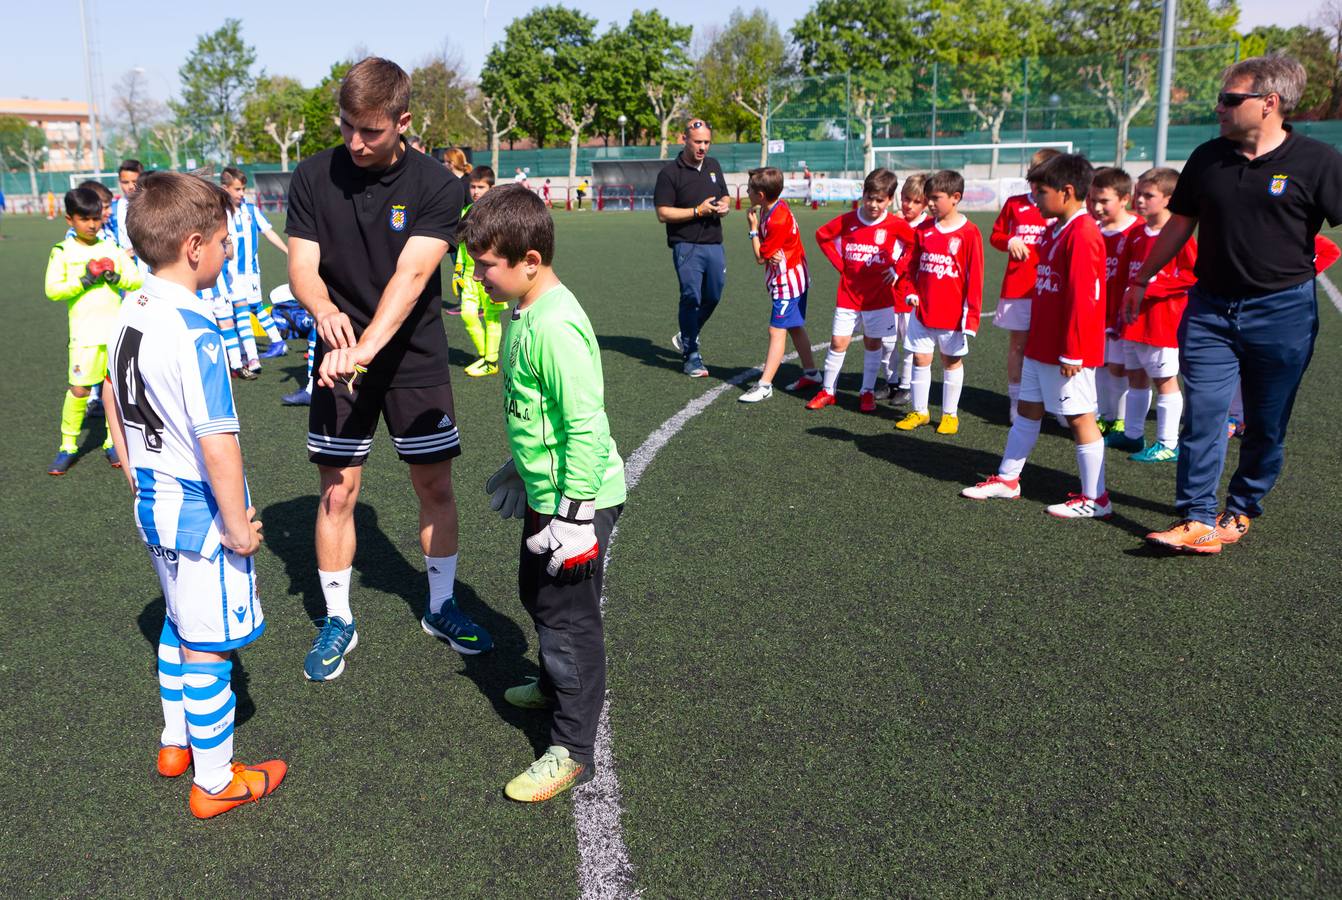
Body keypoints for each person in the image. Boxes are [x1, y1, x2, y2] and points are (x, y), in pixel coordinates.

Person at [285, 56, 491, 681]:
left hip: (412, 355)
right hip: (341, 352)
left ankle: (441, 605)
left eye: (371, 130)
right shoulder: (313, 175)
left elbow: (412, 277)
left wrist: (366, 349)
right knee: (338, 491)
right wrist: (322, 311)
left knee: (434, 487)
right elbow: (302, 264)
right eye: (348, 125)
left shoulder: (438, 184)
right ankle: (338, 619)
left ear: (403, 122)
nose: (355, 141)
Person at [102, 170, 285, 819]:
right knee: (209, 643)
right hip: (196, 510)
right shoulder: (197, 328)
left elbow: (108, 391)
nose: (231, 251)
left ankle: (174, 742)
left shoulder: (133, 306)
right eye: (227, 241)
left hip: (149, 498)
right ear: (195, 246)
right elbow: (217, 444)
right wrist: (237, 526)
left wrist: (128, 465)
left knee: (178, 620)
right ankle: (214, 781)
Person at [1128, 56, 1342, 553]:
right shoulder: (1207, 157)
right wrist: (1141, 277)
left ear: (1269, 103)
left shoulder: (1317, 161)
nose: (1219, 108)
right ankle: (1197, 517)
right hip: (1209, 310)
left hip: (1284, 313)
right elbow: (1181, 223)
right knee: (1203, 413)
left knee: (1266, 424)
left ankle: (1241, 508)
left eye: (1230, 99)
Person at [464, 186, 626, 802]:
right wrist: (519, 465)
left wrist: (576, 515)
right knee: (536, 591)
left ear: (530, 261)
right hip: (549, 490)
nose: (478, 277)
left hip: (577, 501)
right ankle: (557, 686)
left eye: (486, 266)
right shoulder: (524, 310)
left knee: (568, 618)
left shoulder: (557, 325)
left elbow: (584, 423)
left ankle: (572, 746)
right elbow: (542, 413)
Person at [961, 153, 1111, 518]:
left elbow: (1084, 299)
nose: (1036, 199)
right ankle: (1009, 479)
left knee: (1079, 418)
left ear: (1068, 191)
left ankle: (1097, 499)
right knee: (1028, 410)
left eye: (1041, 192)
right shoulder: (1056, 228)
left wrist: (1074, 351)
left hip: (1066, 350)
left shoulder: (1083, 233)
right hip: (1041, 344)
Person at [44, 186, 144, 474]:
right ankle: (68, 446)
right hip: (84, 337)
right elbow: (52, 290)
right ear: (69, 219)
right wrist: (84, 280)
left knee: (115, 391)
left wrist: (115, 277)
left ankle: (113, 443)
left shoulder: (110, 248)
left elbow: (135, 280)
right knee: (78, 390)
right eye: (84, 219)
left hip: (114, 334)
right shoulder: (62, 251)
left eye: (96, 218)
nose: (91, 224)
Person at [1105, 168, 1197, 463]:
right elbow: (1123, 277)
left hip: (1162, 321)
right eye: (1139, 193)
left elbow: (1193, 275)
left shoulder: (1179, 236)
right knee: (1137, 377)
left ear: (1169, 199)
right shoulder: (1135, 234)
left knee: (1165, 381)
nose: (1140, 200)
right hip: (1133, 320)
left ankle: (1168, 443)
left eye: (1149, 195)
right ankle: (1133, 435)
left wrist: (1155, 287)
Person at [807, 167, 916, 412]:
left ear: (889, 200)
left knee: (873, 343)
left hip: (879, 298)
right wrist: (840, 264)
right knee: (838, 342)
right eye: (869, 198)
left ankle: (866, 391)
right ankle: (827, 390)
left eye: (880, 200)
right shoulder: (849, 220)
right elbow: (822, 235)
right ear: (862, 194)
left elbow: (914, 245)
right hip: (848, 295)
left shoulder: (895, 225)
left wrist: (898, 269)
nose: (874, 205)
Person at [895, 170, 984, 434]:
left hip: (952, 315)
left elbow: (975, 277)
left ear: (955, 197)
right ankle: (920, 412)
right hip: (922, 310)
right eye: (928, 198)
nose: (930, 204)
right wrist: (910, 289)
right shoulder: (923, 230)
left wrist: (971, 317)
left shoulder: (969, 233)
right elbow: (910, 265)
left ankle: (949, 415)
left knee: (951, 361)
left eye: (935, 198)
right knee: (921, 359)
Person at [654, 118, 731, 377]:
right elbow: (663, 213)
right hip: (686, 245)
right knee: (691, 296)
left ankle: (687, 333)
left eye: (707, 142)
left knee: (714, 295)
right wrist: (698, 211)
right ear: (684, 139)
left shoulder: (713, 165)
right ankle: (691, 355)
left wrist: (724, 206)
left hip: (714, 243)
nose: (703, 147)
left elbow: (725, 194)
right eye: (698, 141)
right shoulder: (669, 173)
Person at [989, 148, 1060, 423]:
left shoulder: (1060, 207)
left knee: (1052, 346)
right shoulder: (1014, 204)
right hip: (1018, 288)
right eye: (1033, 176)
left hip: (1052, 289)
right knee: (1018, 346)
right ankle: (1016, 402)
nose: (1037, 183)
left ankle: (1054, 402)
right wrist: (1009, 241)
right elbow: (996, 235)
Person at [738, 166, 819, 403]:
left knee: (776, 330)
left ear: (761, 194)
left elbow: (760, 258)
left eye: (751, 187)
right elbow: (769, 251)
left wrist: (752, 231)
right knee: (794, 327)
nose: (748, 190)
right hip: (792, 275)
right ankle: (812, 374)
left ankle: (764, 385)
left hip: (788, 282)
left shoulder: (775, 218)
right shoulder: (772, 207)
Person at [1087, 166, 1141, 434]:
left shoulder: (1138, 230)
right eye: (1093, 200)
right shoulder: (1091, 229)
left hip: (1124, 313)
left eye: (1104, 201)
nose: (1097, 207)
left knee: (1120, 368)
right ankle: (1104, 415)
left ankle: (1120, 420)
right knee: (1099, 365)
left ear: (1124, 199)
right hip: (1096, 312)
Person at [220, 167, 290, 368]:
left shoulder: (251, 211)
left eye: (243, 189)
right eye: (237, 189)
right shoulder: (220, 213)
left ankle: (257, 351)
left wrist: (287, 250)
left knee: (249, 309)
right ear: (225, 189)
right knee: (249, 309)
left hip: (248, 273)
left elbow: (269, 233)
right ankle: (270, 344)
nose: (242, 193)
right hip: (228, 273)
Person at [876, 173, 933, 404]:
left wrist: (899, 268)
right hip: (888, 293)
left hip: (911, 295)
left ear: (926, 204)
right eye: (906, 198)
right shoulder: (892, 221)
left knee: (909, 343)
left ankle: (906, 385)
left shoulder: (926, 226)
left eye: (916, 201)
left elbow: (915, 252)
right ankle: (890, 381)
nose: (909, 205)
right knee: (886, 342)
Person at [455, 165, 508, 376]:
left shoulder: (499, 216)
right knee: (467, 315)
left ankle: (491, 360)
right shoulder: (465, 212)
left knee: (491, 317)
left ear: (491, 188)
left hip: (490, 274)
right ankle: (484, 354)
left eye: (481, 187)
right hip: (469, 275)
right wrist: (458, 269)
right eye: (473, 187)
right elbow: (460, 245)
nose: (475, 191)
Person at [112, 159, 143, 253]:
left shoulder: (153, 204)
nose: (130, 186)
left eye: (135, 181)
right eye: (125, 182)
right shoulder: (112, 209)